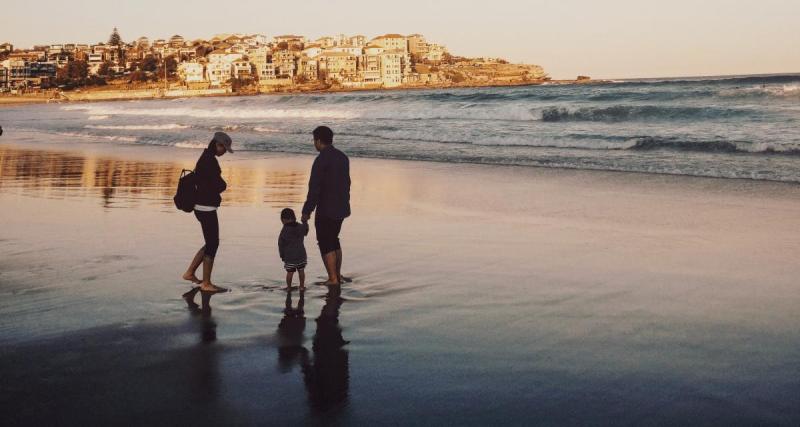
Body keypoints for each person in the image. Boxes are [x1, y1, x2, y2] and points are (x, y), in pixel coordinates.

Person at [182, 132, 233, 297]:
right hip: (206, 207)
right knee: (213, 244)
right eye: (224, 148)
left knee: (210, 242)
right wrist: (223, 184)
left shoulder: (205, 157)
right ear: (217, 145)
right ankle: (206, 283)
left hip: (201, 206)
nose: (224, 151)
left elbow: (209, 182)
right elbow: (217, 185)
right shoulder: (209, 161)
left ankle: (190, 273)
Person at [301, 126, 351, 286]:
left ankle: (333, 279)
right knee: (334, 239)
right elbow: (347, 182)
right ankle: (338, 275)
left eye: (314, 140)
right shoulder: (343, 157)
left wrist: (306, 211)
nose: (314, 143)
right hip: (342, 206)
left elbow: (314, 188)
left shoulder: (321, 160)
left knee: (325, 241)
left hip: (326, 207)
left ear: (318, 140)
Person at [278, 208, 309, 289]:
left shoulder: (285, 230)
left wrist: (282, 255)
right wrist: (305, 222)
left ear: (284, 219)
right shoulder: (300, 226)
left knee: (290, 273)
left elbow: (281, 244)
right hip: (301, 255)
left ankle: (288, 287)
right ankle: (302, 286)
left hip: (290, 257)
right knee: (301, 271)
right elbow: (306, 231)